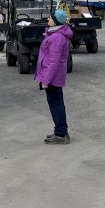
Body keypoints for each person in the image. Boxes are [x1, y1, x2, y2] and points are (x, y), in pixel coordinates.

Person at [36, 9, 73, 144]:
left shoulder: (57, 37)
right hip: (53, 76)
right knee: (57, 103)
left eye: (50, 18)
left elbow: (54, 61)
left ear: (56, 21)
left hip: (52, 77)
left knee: (56, 104)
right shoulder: (56, 34)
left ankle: (60, 135)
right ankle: (61, 131)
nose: (48, 20)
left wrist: (46, 80)